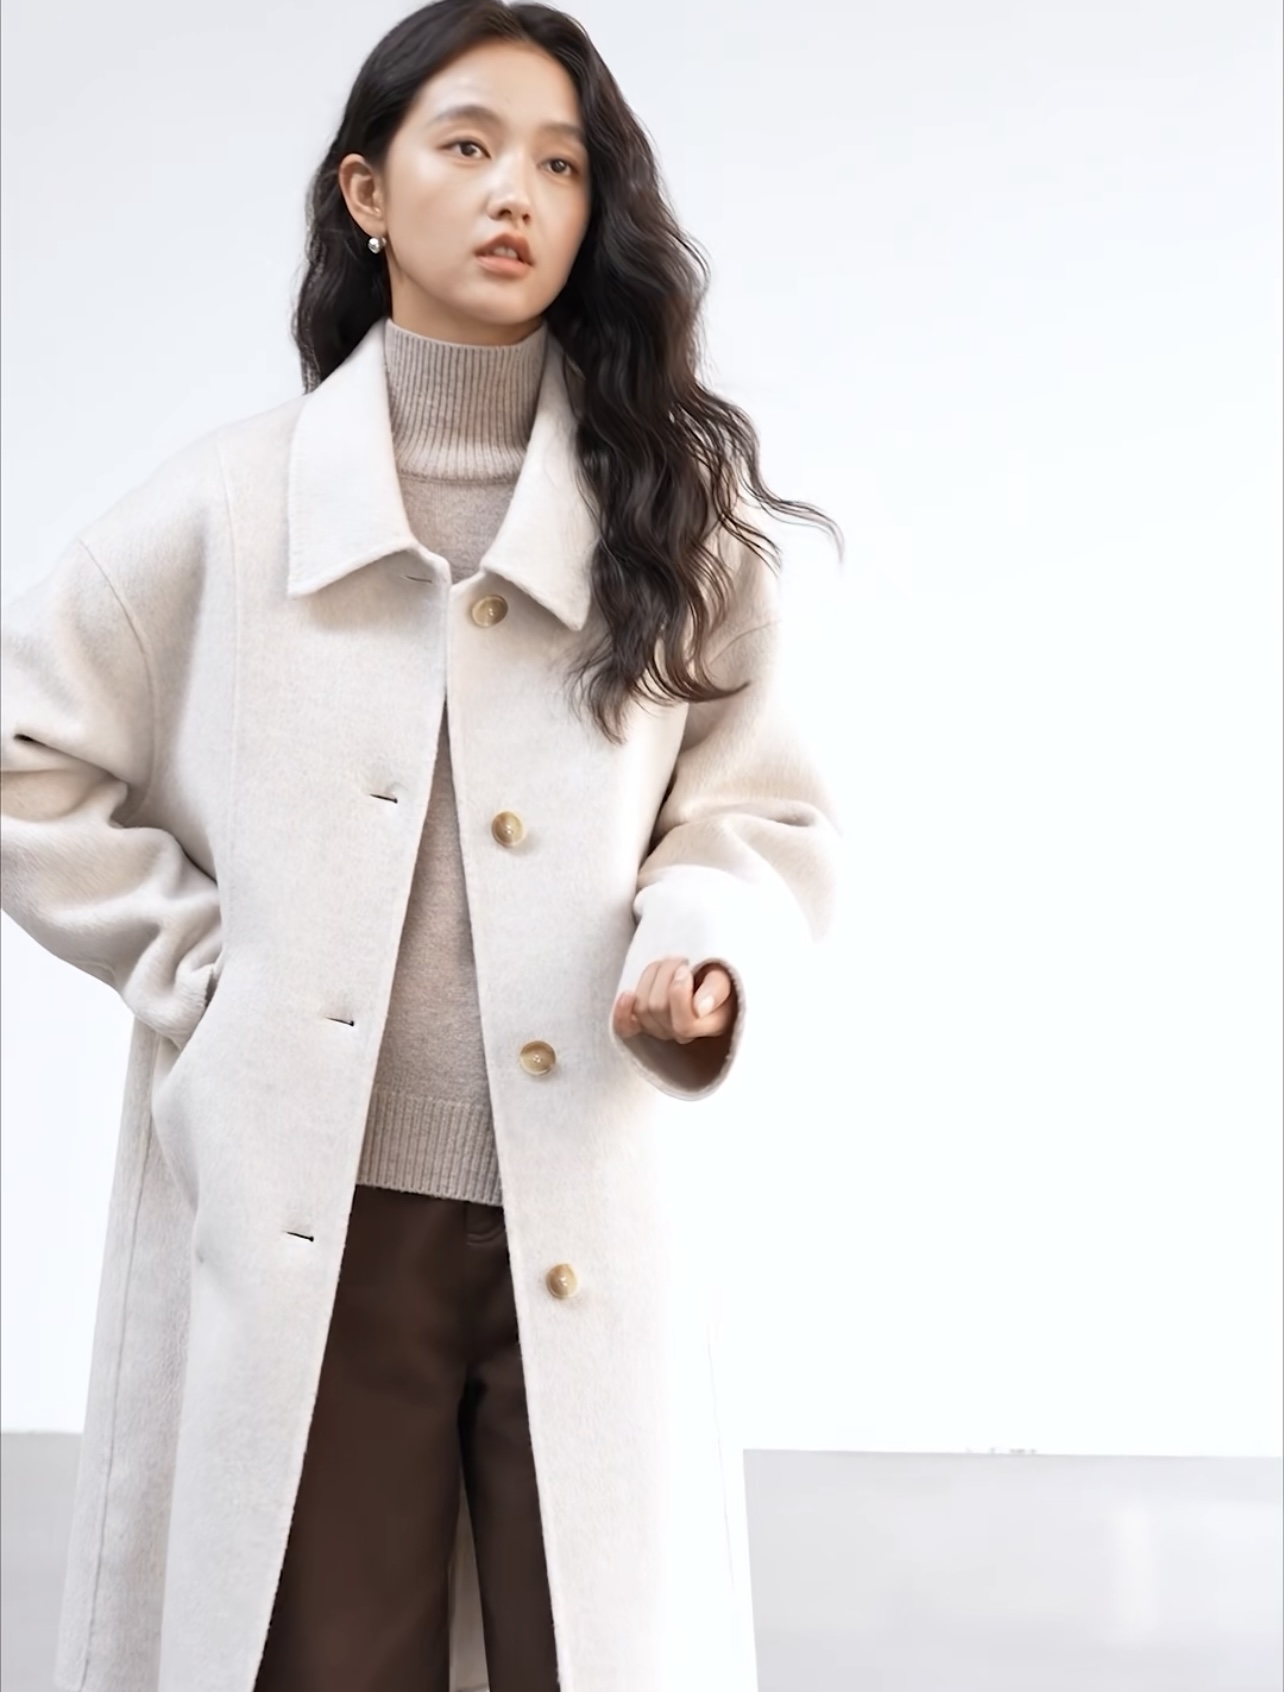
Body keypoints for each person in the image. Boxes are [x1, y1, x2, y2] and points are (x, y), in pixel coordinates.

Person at [0, 3, 844, 1689]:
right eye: (468, 145)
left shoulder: (677, 524)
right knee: (328, 1662)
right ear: (368, 193)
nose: (517, 191)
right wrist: (206, 971)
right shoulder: (229, 507)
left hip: (586, 1183)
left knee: (597, 1651)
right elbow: (27, 756)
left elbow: (754, 807)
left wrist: (700, 941)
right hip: (329, 1218)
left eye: (561, 164)